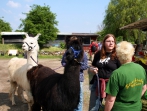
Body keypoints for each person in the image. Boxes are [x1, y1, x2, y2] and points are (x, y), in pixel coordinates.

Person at [104, 41, 147, 111]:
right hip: (137, 107)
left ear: (118, 55)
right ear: (132, 53)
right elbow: (144, 88)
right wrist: (135, 98)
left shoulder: (117, 73)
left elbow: (110, 99)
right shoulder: (141, 68)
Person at [89, 34, 121, 111]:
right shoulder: (98, 54)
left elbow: (122, 70)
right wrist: (92, 69)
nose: (111, 43)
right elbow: (92, 66)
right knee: (93, 107)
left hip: (111, 85)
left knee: (110, 107)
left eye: (113, 41)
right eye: (108, 41)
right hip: (97, 83)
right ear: (104, 43)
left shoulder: (118, 55)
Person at [61, 36, 88, 111]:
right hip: (68, 78)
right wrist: (68, 64)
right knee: (67, 96)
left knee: (79, 98)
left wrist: (75, 66)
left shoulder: (83, 54)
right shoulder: (68, 53)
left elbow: (85, 65)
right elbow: (63, 62)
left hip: (78, 79)